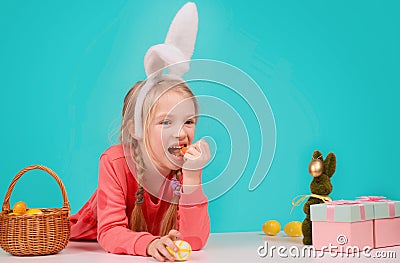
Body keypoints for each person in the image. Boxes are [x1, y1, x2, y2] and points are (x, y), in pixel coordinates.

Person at [70, 2, 210, 262]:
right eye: (166, 122)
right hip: (79, 246)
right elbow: (110, 231)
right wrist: (149, 245)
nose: (181, 133)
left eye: (188, 122)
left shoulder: (185, 170)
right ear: (136, 128)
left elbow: (195, 241)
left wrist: (193, 178)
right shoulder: (115, 162)